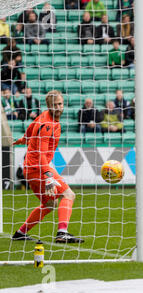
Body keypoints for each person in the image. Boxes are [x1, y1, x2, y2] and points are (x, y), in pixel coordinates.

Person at [12, 90, 83, 243]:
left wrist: (23, 139)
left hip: (32, 168)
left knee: (50, 204)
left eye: (60, 104)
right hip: (38, 168)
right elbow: (42, 154)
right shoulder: (48, 126)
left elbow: (31, 127)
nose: (59, 107)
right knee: (68, 195)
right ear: (49, 106)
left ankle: (20, 233)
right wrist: (48, 176)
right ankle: (62, 233)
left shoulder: (43, 116)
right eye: (55, 105)